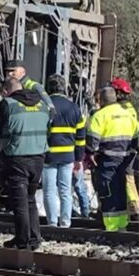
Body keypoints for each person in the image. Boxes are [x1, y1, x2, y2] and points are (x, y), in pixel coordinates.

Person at [0, 77, 50, 249]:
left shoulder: (7, 104)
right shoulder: (42, 104)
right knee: (30, 199)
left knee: (20, 202)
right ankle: (34, 238)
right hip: (38, 158)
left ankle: (23, 241)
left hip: (17, 158)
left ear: (6, 91)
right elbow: (48, 130)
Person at [86, 86, 139, 231]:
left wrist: (90, 154)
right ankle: (122, 227)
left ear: (102, 100)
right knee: (121, 192)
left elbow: (92, 141)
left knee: (108, 193)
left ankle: (112, 229)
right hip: (125, 160)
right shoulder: (128, 114)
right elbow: (136, 138)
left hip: (107, 160)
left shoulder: (100, 115)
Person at [42, 74, 86, 227]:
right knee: (65, 191)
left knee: (49, 191)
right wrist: (79, 158)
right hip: (68, 156)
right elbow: (81, 137)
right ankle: (66, 223)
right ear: (64, 88)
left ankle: (52, 223)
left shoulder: (44, 106)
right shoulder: (74, 108)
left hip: (48, 155)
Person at [110, 78, 139, 219]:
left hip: (125, 149)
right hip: (126, 148)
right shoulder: (128, 108)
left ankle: (134, 209)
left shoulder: (124, 109)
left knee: (128, 178)